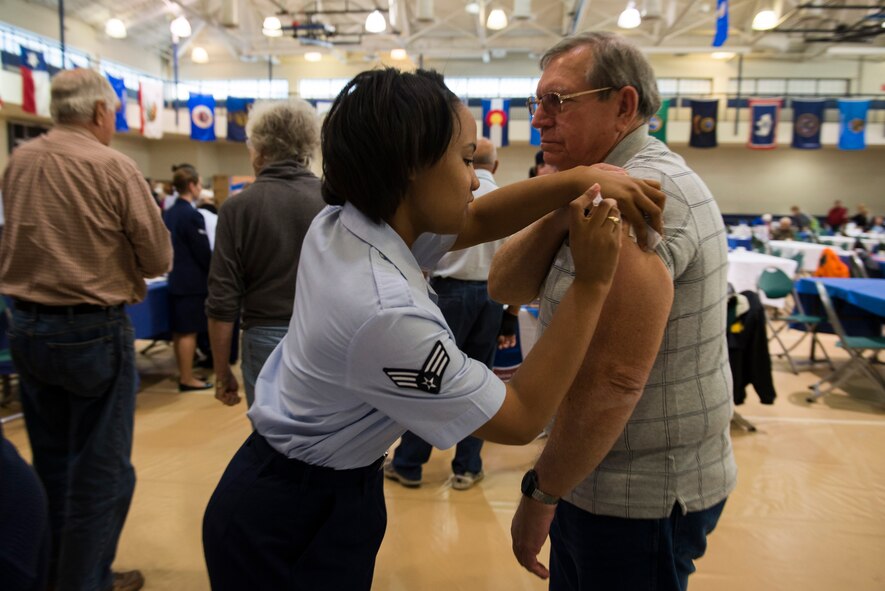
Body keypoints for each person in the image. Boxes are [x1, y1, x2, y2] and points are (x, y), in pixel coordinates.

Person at [201, 67, 665, 590]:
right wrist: (592, 283)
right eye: (465, 159)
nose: (474, 178)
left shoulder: (350, 221)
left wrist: (578, 183)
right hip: (291, 518)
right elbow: (518, 419)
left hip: (304, 485)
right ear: (409, 168)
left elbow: (475, 220)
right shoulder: (384, 313)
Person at [489, 32, 736, 590]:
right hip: (595, 471)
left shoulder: (643, 193)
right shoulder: (589, 186)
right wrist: (556, 205)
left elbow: (614, 378)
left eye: (558, 102)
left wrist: (541, 494)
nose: (540, 121)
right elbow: (504, 284)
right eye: (537, 104)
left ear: (623, 106)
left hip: (637, 491)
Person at [0, 68, 171, 591]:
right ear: (99, 112)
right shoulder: (113, 167)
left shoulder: (18, 163)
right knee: (101, 475)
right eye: (115, 113)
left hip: (26, 328)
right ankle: (85, 581)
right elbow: (157, 255)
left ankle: (53, 573)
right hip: (92, 332)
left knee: (50, 464)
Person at [385, 138, 510, 491]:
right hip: (491, 297)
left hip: (449, 293)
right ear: (496, 167)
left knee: (432, 378)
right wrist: (511, 314)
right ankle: (467, 466)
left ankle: (409, 463)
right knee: (481, 379)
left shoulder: (448, 196)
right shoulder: (506, 202)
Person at [207, 98, 325, 408]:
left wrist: (221, 372)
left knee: (271, 442)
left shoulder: (237, 208)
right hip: (325, 335)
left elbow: (222, 299)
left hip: (264, 339)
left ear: (259, 150)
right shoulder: (333, 203)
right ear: (309, 146)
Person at [164, 165, 213, 391]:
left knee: (179, 331)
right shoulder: (191, 215)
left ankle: (183, 372)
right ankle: (187, 377)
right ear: (192, 185)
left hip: (175, 278)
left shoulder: (170, 212)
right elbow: (201, 251)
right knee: (188, 331)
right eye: (200, 184)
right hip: (192, 281)